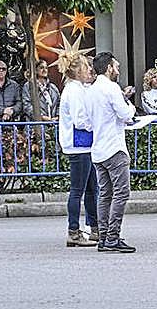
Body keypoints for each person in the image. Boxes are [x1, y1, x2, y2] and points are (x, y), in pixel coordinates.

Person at [86, 52, 136, 253]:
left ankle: (103, 237)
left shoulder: (90, 90)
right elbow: (125, 114)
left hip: (98, 149)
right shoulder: (112, 88)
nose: (118, 69)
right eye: (116, 66)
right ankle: (113, 237)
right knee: (121, 193)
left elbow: (86, 123)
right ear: (108, 68)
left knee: (105, 194)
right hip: (114, 147)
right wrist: (129, 105)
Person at [57, 52, 98, 248]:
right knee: (78, 191)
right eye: (86, 67)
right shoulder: (73, 90)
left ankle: (96, 227)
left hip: (83, 144)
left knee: (91, 189)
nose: (89, 70)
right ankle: (73, 231)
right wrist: (96, 124)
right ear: (78, 71)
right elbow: (80, 119)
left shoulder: (78, 88)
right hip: (78, 144)